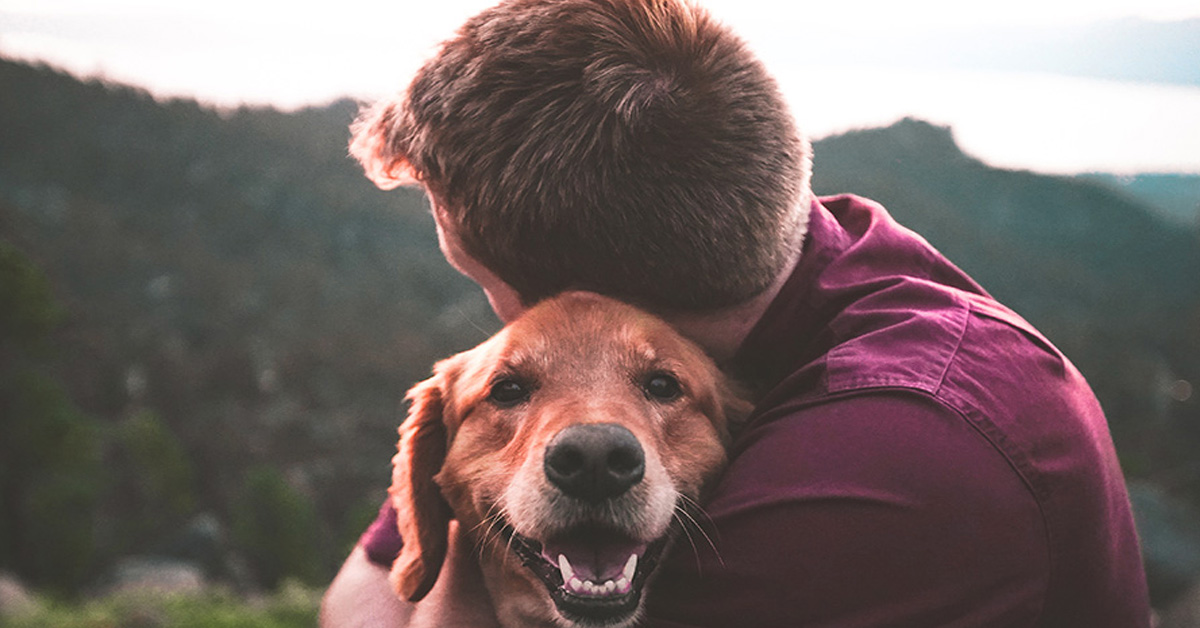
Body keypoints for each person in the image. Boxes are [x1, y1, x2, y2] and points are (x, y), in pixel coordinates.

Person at [321, 0, 1152, 625]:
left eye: (478, 277)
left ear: (583, 297)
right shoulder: (803, 257)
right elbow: (365, 589)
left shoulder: (888, 464)